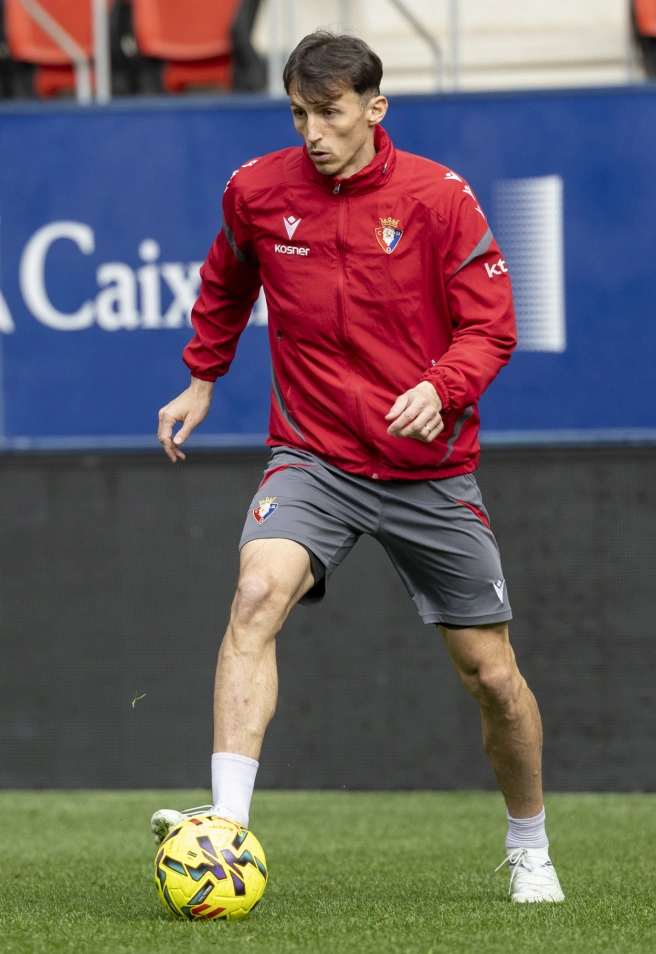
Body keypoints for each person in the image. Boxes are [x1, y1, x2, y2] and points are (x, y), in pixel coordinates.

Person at [152, 31, 564, 903]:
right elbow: (227, 282)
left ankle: (528, 843)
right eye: (299, 113)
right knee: (257, 594)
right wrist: (201, 377)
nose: (312, 132)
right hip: (313, 455)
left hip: (429, 468)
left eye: (330, 113)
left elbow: (492, 327)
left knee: (492, 675)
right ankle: (226, 831)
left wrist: (441, 388)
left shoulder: (439, 198)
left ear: (375, 109)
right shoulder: (256, 191)